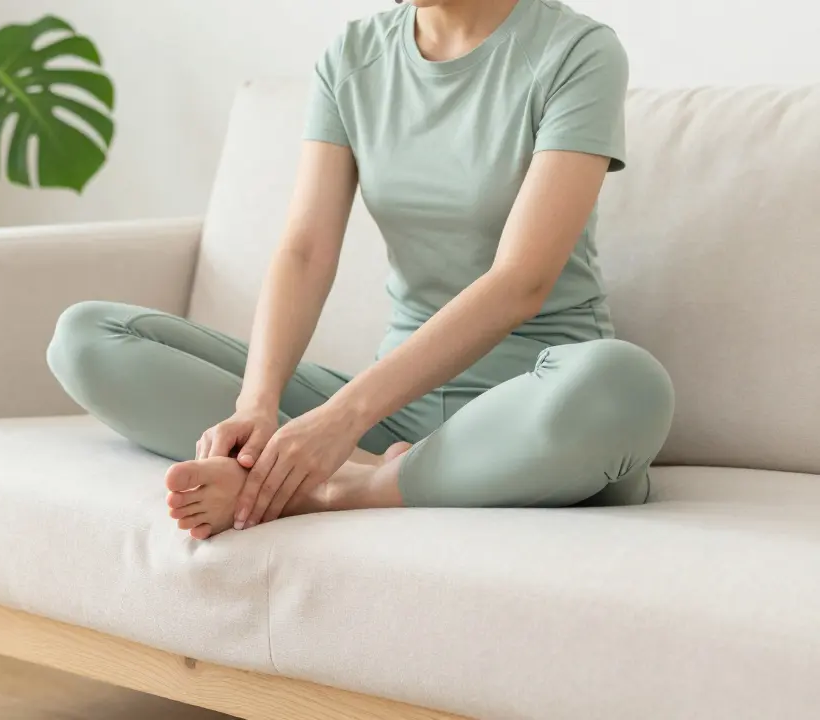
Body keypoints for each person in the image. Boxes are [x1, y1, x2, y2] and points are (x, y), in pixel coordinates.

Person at [47, 0, 675, 540]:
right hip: (393, 411)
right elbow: (305, 250)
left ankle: (327, 491)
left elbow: (521, 281)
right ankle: (357, 470)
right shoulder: (353, 57)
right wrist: (257, 407)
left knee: (628, 384)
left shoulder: (577, 52)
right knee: (88, 337)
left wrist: (337, 422)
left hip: (535, 405)